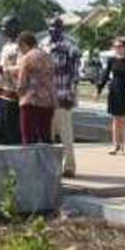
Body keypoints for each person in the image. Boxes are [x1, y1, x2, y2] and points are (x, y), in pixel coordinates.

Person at [42, 17, 81, 177]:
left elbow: (75, 72)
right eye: (51, 27)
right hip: (46, 96)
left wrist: (71, 94)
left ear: (62, 29)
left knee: (65, 132)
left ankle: (69, 166)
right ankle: (51, 167)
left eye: (56, 27)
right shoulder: (43, 44)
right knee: (48, 133)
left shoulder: (70, 45)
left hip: (63, 93)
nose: (53, 30)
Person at [15, 32, 56, 144]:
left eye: (20, 48)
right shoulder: (48, 56)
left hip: (30, 100)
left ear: (24, 44)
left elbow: (21, 82)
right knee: (45, 136)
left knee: (28, 138)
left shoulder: (27, 58)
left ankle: (29, 161)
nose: (20, 51)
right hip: (48, 101)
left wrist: (19, 94)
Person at [0, 16, 23, 145]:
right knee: (4, 127)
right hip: (2, 91)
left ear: (14, 28)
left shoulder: (20, 46)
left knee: (13, 129)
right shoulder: (6, 45)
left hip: (13, 93)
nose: (2, 29)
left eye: (5, 26)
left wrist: (3, 69)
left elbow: (21, 67)